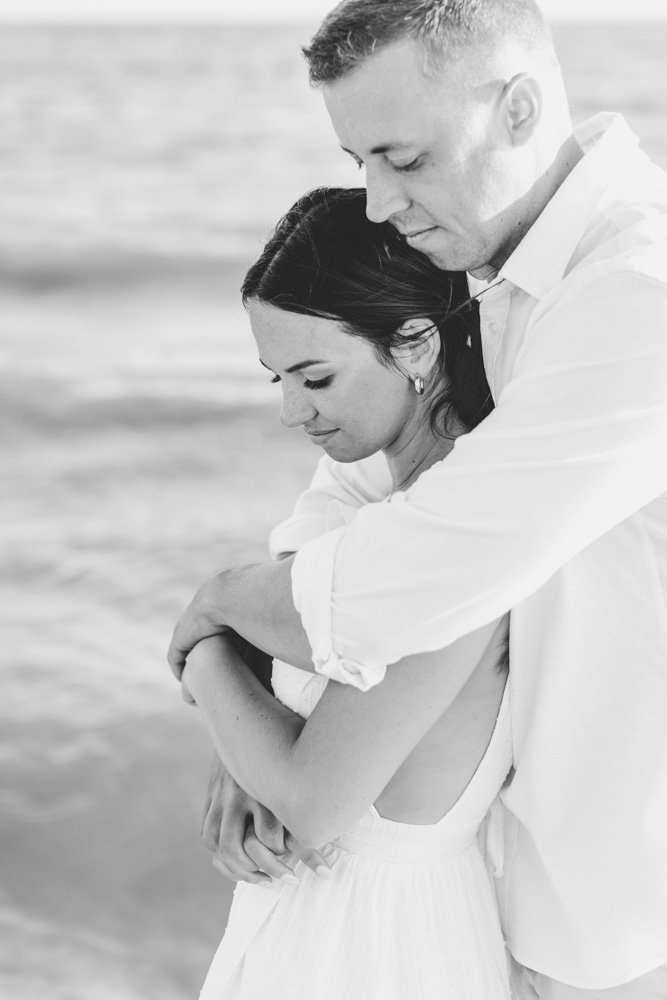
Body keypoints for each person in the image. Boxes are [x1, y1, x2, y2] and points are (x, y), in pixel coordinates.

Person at [168, 2, 667, 998]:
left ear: (517, 108)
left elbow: (423, 570)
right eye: (357, 158)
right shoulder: (477, 273)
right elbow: (343, 499)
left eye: (402, 155)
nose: (379, 197)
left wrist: (217, 613)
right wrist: (263, 685)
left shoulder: (634, 295)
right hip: (498, 876)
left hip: (614, 897)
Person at [184, 185, 513, 999]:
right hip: (334, 919)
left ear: (414, 345)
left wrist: (200, 647)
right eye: (277, 380)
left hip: (374, 947)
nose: (294, 411)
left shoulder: (450, 539)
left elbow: (313, 799)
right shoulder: (386, 506)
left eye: (316, 377)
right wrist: (243, 717)